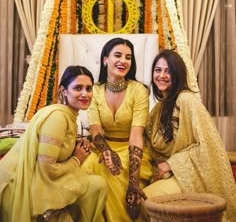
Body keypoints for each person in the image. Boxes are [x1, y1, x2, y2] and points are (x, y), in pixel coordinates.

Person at [0, 65, 108, 222]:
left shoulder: (69, 116)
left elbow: (55, 149)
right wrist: (77, 159)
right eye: (78, 88)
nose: (85, 94)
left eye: (89, 88)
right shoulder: (57, 117)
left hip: (41, 179)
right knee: (97, 185)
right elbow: (47, 168)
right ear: (64, 91)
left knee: (97, 184)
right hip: (24, 186)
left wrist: (73, 145)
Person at [143, 49, 236, 221]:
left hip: (188, 175)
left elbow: (207, 145)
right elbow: (146, 140)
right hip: (167, 174)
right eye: (158, 70)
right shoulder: (159, 108)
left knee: (146, 200)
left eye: (168, 70)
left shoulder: (187, 100)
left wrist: (170, 164)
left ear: (177, 74)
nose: (162, 75)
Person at [81, 38, 153, 222]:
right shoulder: (94, 91)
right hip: (103, 147)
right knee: (90, 167)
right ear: (105, 59)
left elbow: (137, 135)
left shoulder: (139, 90)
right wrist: (106, 152)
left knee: (117, 175)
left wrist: (133, 183)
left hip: (132, 149)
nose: (124, 61)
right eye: (118, 55)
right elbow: (95, 130)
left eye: (128, 57)